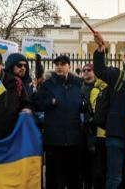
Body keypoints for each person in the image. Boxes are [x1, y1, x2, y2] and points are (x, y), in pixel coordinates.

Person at [93, 32, 125, 189]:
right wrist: (101, 49)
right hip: (117, 135)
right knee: (115, 179)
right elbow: (100, 70)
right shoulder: (118, 75)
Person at [34, 55, 85, 189]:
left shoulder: (78, 84)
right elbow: (37, 104)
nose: (59, 67)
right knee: (54, 176)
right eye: (56, 64)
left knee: (74, 175)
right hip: (54, 139)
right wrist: (50, 102)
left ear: (69, 66)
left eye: (62, 64)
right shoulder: (47, 85)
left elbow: (85, 104)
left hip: (74, 138)